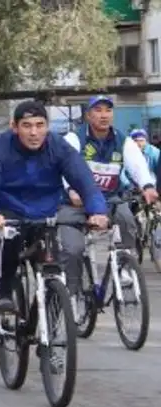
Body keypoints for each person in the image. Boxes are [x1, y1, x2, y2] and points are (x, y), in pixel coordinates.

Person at [0, 101, 109, 313]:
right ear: (14, 127)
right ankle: (5, 294)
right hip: (10, 210)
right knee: (9, 244)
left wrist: (97, 210)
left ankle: (53, 307)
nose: (34, 132)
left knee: (53, 264)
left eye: (40, 125)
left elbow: (83, 179)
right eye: (27, 126)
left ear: (47, 126)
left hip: (47, 212)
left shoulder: (58, 146)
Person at [61, 96, 157, 299]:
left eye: (108, 110)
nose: (104, 115)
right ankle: (72, 291)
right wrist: (71, 190)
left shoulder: (123, 141)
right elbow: (64, 167)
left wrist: (147, 186)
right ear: (88, 115)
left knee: (127, 220)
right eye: (98, 110)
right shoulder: (74, 138)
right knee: (73, 249)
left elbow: (138, 165)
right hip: (76, 202)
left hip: (110, 199)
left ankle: (123, 265)